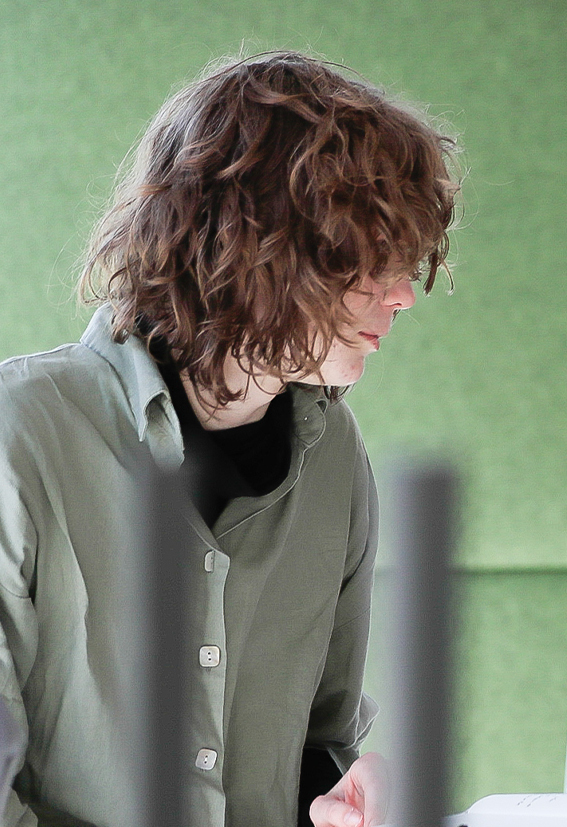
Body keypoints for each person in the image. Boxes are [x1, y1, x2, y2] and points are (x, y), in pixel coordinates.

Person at [0, 52, 458, 825]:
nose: (403, 292)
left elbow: (323, 737)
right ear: (254, 241)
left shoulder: (335, 455)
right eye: (366, 255)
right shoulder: (21, 435)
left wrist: (341, 799)